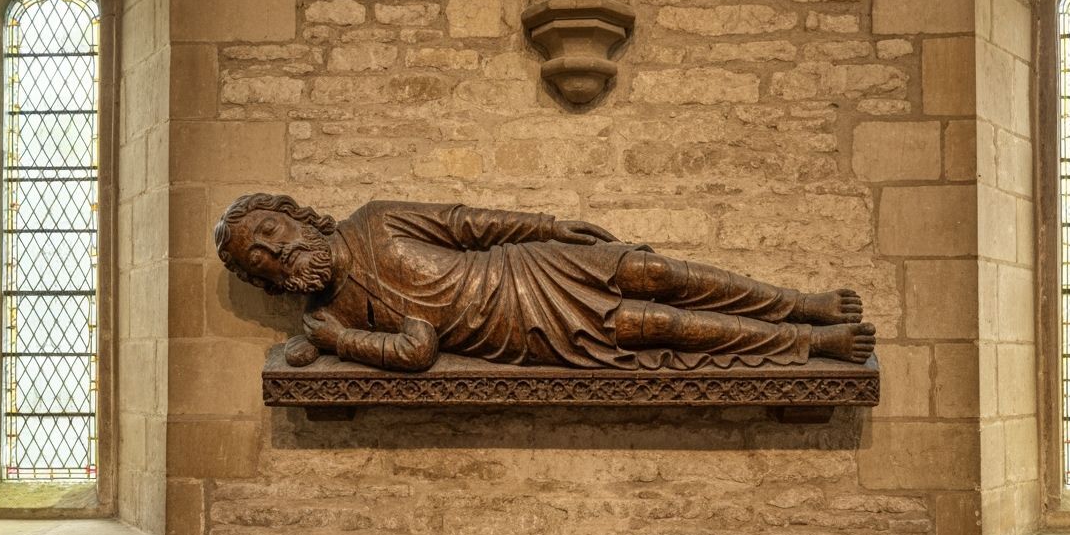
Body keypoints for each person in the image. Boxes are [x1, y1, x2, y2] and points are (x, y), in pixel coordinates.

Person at [214, 194, 875, 372]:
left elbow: (467, 225)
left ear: (296, 214)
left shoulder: (375, 221)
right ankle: (809, 347)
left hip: (529, 267)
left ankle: (802, 304)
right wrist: (339, 343)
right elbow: (418, 350)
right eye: (263, 259)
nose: (278, 250)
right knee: (660, 327)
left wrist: (550, 226)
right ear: (267, 280)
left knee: (660, 273)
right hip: (526, 333)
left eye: (273, 231)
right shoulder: (339, 315)